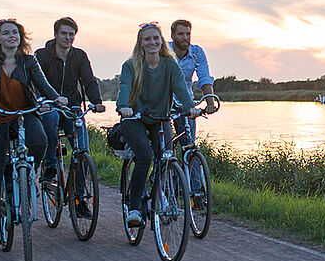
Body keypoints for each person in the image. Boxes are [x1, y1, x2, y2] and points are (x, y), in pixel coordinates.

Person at [0, 19, 68, 245]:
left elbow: (43, 85)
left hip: (25, 114)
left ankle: (29, 176)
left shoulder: (29, 61)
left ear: (21, 37)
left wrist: (57, 98)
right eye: (6, 34)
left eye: (15, 33)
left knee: (40, 140)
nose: (11, 37)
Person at [117, 22, 202, 227]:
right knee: (145, 157)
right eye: (147, 39)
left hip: (161, 118)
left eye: (156, 38)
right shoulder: (131, 65)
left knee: (166, 156)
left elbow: (181, 89)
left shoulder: (169, 65)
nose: (152, 42)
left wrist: (191, 108)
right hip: (134, 118)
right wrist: (123, 107)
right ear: (141, 43)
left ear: (161, 40)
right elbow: (125, 89)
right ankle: (135, 208)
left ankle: (159, 196)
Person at [34, 17, 106, 217]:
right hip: (48, 106)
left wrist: (97, 101)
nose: (68, 37)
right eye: (64, 33)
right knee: (51, 119)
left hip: (72, 106)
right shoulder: (41, 55)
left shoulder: (79, 56)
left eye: (71, 34)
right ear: (55, 34)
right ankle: (49, 166)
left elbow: (89, 80)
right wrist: (44, 102)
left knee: (82, 151)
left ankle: (80, 199)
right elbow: (36, 82)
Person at [168, 19, 218, 203]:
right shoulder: (164, 51)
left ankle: (197, 194)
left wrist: (210, 100)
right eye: (181, 34)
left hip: (186, 104)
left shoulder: (196, 52)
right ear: (172, 35)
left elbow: (204, 77)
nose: (185, 37)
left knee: (189, 146)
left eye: (188, 33)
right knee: (166, 147)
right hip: (164, 103)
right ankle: (166, 185)